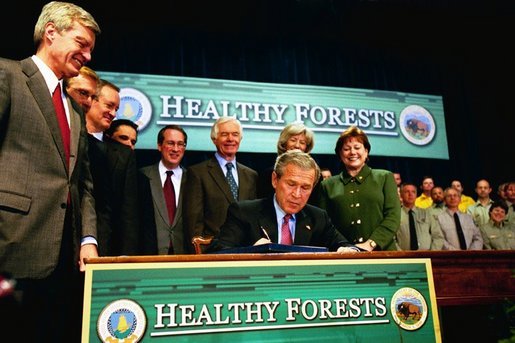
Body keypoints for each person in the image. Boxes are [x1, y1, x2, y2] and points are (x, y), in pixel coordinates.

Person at [0, 2, 100, 341]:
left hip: (64, 263)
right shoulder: (8, 76)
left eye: (90, 49)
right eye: (81, 43)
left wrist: (88, 239)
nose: (87, 55)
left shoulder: (73, 107)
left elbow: (82, 182)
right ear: (51, 33)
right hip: (11, 253)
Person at [208, 150, 359, 253]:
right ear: (275, 180)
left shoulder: (318, 218)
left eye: (305, 187)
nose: (297, 194)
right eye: (291, 184)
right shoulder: (245, 213)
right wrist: (251, 251)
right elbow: (217, 251)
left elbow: (344, 245)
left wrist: (347, 250)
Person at [316, 126, 401, 251]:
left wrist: (371, 244)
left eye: (357, 147)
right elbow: (325, 225)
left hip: (383, 254)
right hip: (343, 255)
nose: (352, 152)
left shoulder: (385, 177)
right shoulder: (327, 185)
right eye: (346, 149)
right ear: (340, 154)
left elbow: (393, 217)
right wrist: (344, 247)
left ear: (366, 151)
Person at [184, 117, 258, 252]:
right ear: (214, 139)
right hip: (213, 250)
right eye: (224, 134)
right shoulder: (197, 173)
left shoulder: (251, 175)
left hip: (246, 250)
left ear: (240, 139)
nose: (230, 139)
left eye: (235, 134)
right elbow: (194, 222)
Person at [83, 78, 139, 256]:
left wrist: (125, 255)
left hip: (105, 248)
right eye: (109, 105)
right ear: (92, 100)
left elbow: (128, 212)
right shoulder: (65, 139)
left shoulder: (124, 155)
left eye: (116, 109)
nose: (113, 113)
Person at [139, 125, 189, 254]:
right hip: (150, 254)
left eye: (180, 144)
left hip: (184, 254)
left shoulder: (193, 179)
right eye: (170, 143)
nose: (176, 149)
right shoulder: (142, 176)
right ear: (159, 146)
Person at [257, 122, 315, 198]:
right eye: (293, 140)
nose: (297, 145)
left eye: (302, 142)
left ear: (306, 147)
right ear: (284, 143)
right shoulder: (268, 174)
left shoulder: (313, 175)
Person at [394, 183, 444, 250]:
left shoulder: (426, 213)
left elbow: (437, 236)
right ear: (401, 195)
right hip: (403, 257)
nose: (410, 194)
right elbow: (392, 239)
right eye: (407, 192)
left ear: (416, 195)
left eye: (413, 192)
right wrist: (401, 255)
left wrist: (432, 254)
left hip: (427, 257)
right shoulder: (395, 215)